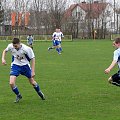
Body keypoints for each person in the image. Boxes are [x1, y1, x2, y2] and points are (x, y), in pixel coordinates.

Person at [2, 38, 45, 103]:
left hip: (25, 66)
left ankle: (39, 92)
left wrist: (33, 71)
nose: (14, 47)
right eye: (13, 46)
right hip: (15, 66)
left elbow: (33, 59)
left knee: (32, 82)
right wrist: (3, 59)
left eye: (16, 46)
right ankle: (18, 95)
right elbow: (5, 51)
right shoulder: (11, 46)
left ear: (20, 43)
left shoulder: (27, 49)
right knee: (11, 83)